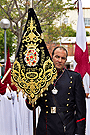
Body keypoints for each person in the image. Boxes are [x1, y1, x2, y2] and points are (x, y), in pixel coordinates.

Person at [26, 46, 86, 135]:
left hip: (67, 127)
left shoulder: (74, 77)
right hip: (45, 127)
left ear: (66, 60)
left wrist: (79, 131)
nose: (59, 60)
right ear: (52, 57)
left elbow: (81, 109)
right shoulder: (41, 77)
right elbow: (31, 106)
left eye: (63, 58)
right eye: (57, 57)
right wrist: (31, 90)